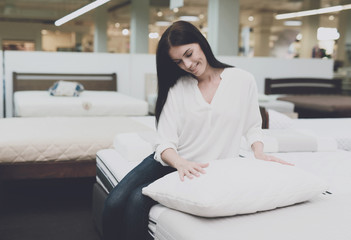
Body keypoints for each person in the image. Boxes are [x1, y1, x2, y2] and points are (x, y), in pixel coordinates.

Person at [102, 20, 292, 240]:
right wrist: (180, 163)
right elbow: (164, 142)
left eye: (189, 53)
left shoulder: (242, 80)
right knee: (114, 202)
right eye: (179, 61)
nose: (188, 64)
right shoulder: (177, 87)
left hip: (200, 169)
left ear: (201, 43)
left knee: (137, 200)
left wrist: (259, 152)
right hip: (170, 161)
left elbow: (252, 126)